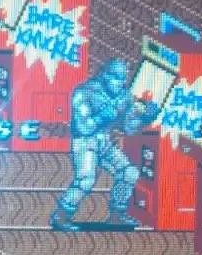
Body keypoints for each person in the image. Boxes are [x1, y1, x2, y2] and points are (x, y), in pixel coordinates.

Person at [51, 59, 160, 231]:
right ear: (104, 74)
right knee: (86, 179)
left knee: (129, 171)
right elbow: (83, 127)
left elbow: (129, 128)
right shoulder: (84, 92)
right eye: (115, 77)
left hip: (105, 141)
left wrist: (145, 118)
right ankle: (61, 214)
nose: (119, 82)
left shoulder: (124, 96)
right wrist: (106, 114)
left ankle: (117, 214)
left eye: (122, 78)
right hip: (84, 142)